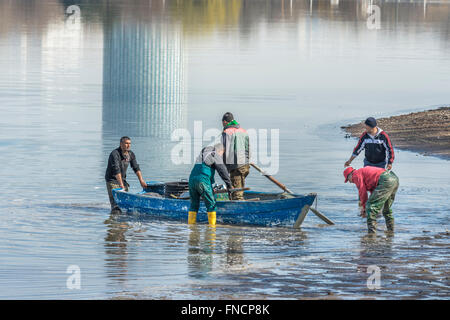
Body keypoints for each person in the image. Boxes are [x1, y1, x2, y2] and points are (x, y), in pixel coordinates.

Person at [343, 166, 399, 234]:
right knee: (386, 209)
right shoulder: (362, 172)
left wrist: (365, 208)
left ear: (350, 175)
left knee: (370, 207)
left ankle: (371, 234)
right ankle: (390, 231)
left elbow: (362, 192)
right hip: (394, 178)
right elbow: (374, 191)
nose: (350, 182)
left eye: (348, 180)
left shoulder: (356, 175)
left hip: (385, 180)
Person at [188, 144, 232, 226]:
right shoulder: (215, 154)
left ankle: (191, 226)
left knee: (194, 204)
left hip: (191, 180)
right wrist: (229, 185)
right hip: (202, 181)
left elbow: (205, 171)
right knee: (211, 204)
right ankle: (212, 229)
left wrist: (212, 186)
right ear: (220, 151)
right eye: (222, 154)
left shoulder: (202, 155)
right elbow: (223, 171)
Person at [105, 136, 147, 213]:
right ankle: (114, 222)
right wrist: (121, 185)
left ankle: (124, 223)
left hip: (123, 180)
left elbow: (136, 167)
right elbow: (116, 170)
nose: (128, 145)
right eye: (126, 143)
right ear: (121, 144)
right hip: (112, 181)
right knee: (116, 206)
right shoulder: (114, 154)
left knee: (126, 205)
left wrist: (141, 180)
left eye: (129, 143)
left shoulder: (130, 154)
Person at [221, 112, 250, 200]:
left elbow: (225, 150)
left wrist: (224, 166)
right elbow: (248, 148)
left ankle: (238, 210)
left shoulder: (227, 132)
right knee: (238, 188)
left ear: (225, 122)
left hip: (236, 166)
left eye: (222, 122)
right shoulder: (243, 131)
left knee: (237, 195)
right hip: (245, 165)